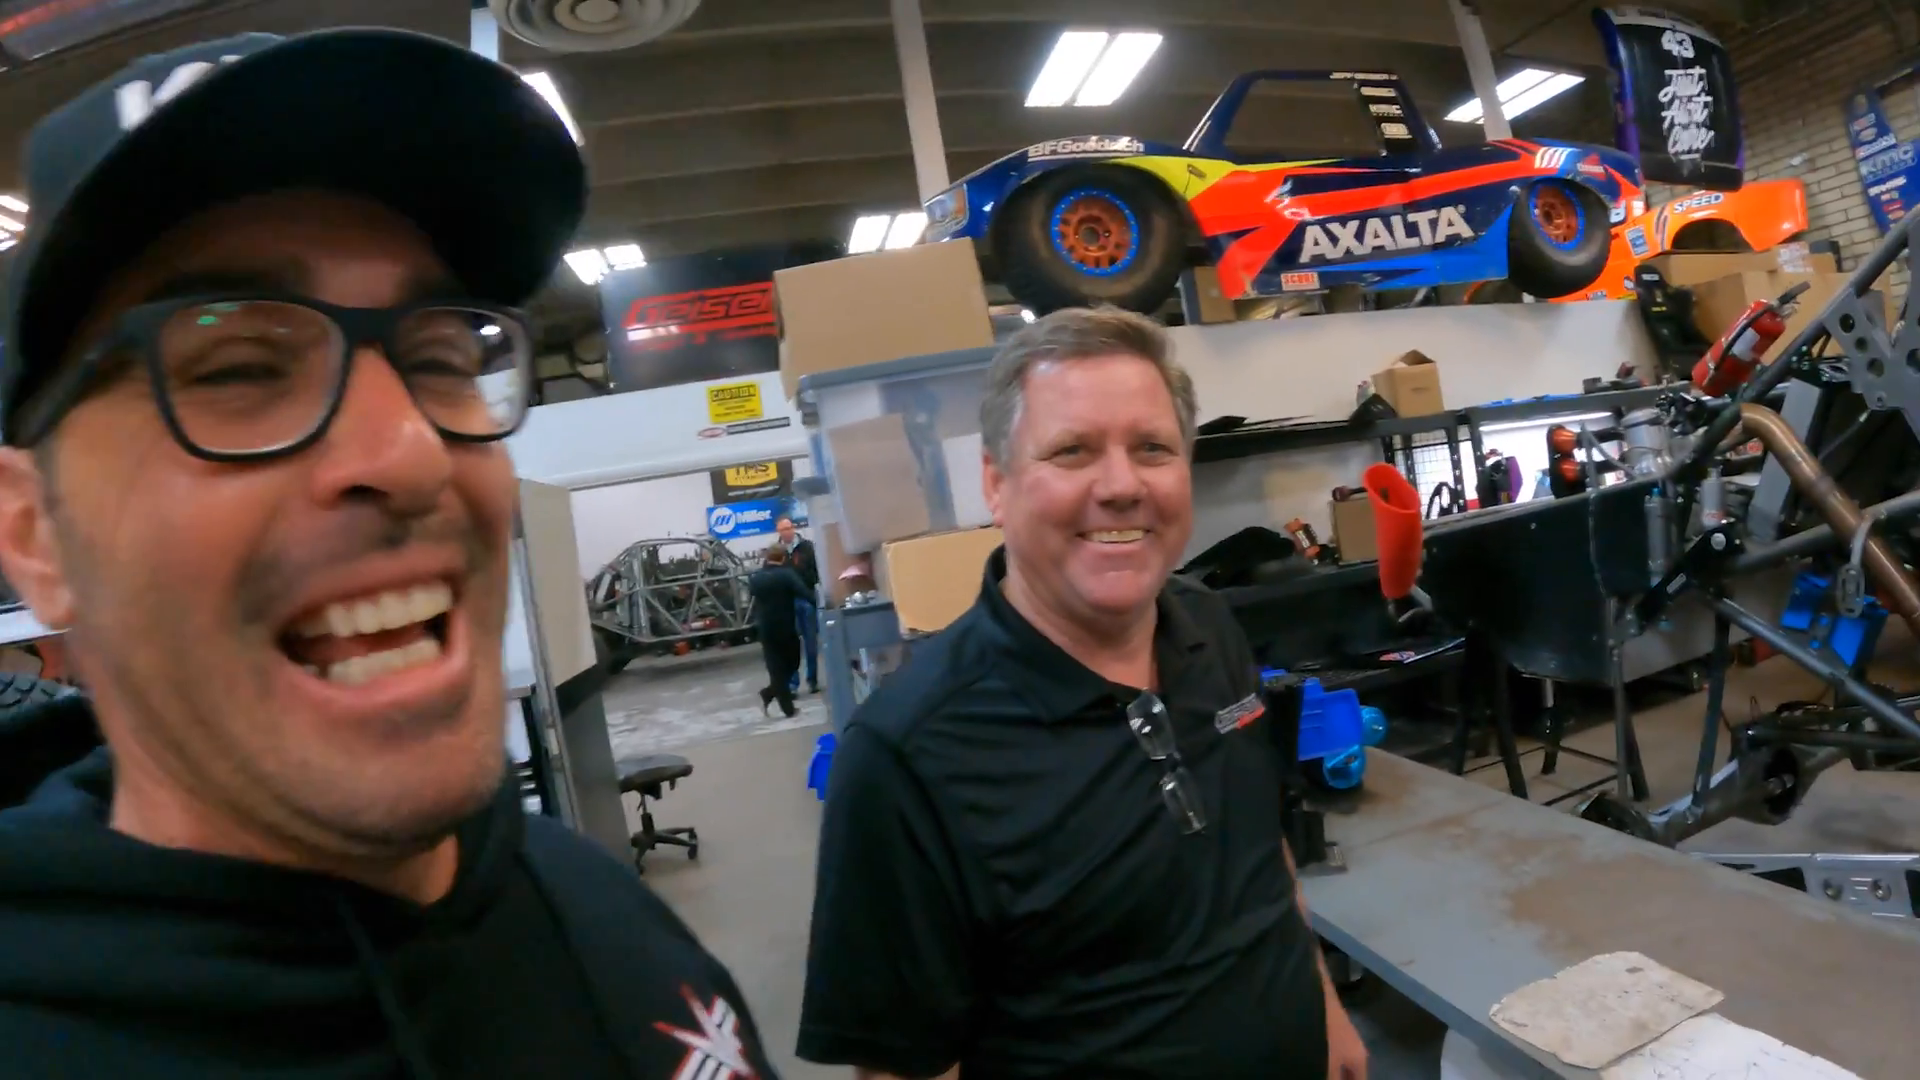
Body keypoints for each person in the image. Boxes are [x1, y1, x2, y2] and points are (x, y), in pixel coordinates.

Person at [0, 30, 778, 1079]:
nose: (409, 451)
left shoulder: (602, 912)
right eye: (235, 367)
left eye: (442, 354)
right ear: (33, 536)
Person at [798, 306, 1368, 1079]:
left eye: (1152, 449)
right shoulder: (909, 755)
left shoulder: (1209, 625)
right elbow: (904, 1065)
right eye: (1072, 451)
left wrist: (1324, 1009)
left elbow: (1258, 846)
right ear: (997, 484)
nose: (1122, 486)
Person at [748, 546, 808, 718]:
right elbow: (803, 592)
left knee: (776, 669)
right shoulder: (787, 575)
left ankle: (771, 694)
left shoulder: (757, 578)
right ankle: (786, 707)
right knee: (793, 663)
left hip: (766, 630)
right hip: (786, 628)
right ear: (783, 558)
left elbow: (752, 593)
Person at [775, 515, 820, 694]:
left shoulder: (807, 547)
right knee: (790, 644)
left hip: (807, 599)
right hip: (788, 602)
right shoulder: (777, 551)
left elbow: (816, 570)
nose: (786, 533)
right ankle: (793, 684)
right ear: (778, 532)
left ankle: (812, 680)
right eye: (782, 530)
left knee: (811, 642)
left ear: (793, 528)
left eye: (788, 528)